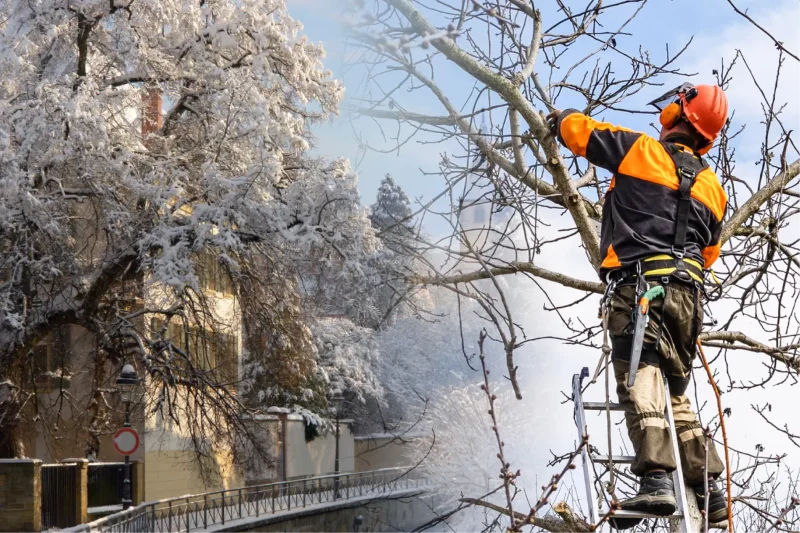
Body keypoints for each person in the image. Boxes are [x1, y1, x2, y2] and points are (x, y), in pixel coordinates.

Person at [547, 83, 729, 528]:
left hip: (641, 288)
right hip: (688, 297)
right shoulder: (712, 186)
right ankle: (709, 486)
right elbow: (709, 254)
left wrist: (560, 116)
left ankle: (655, 482)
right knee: (676, 389)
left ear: (679, 113)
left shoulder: (642, 150)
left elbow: (580, 133)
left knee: (640, 376)